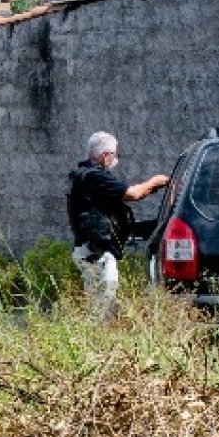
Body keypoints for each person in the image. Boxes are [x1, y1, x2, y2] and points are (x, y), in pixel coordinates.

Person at [68, 131, 169, 316]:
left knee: (100, 304)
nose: (115, 159)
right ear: (105, 156)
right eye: (114, 155)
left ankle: (99, 336)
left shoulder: (87, 176)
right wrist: (157, 182)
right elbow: (133, 194)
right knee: (103, 306)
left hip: (92, 250)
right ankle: (97, 339)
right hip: (96, 253)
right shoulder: (94, 176)